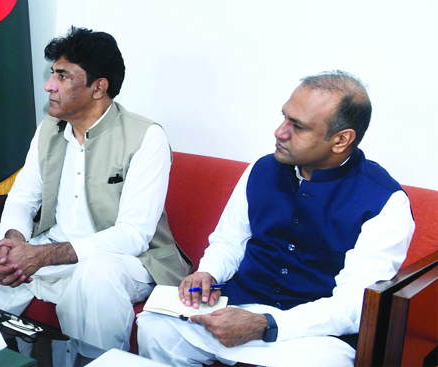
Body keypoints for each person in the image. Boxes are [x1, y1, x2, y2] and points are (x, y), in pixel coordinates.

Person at [136, 71, 415, 367]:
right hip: (239, 305)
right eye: (284, 117)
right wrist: (209, 273)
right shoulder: (262, 169)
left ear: (341, 140)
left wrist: (265, 324)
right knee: (157, 327)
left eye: (298, 126)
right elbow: (229, 242)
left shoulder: (386, 202)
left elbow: (353, 304)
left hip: (313, 334)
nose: (280, 132)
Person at [0, 27, 192, 359]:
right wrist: (15, 241)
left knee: (96, 275)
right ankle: (5, 347)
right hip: (54, 247)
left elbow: (134, 236)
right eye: (53, 74)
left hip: (126, 261)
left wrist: (42, 256)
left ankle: (95, 361)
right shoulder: (49, 129)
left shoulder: (146, 137)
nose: (49, 85)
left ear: (98, 87)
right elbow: (23, 198)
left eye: (62, 76)